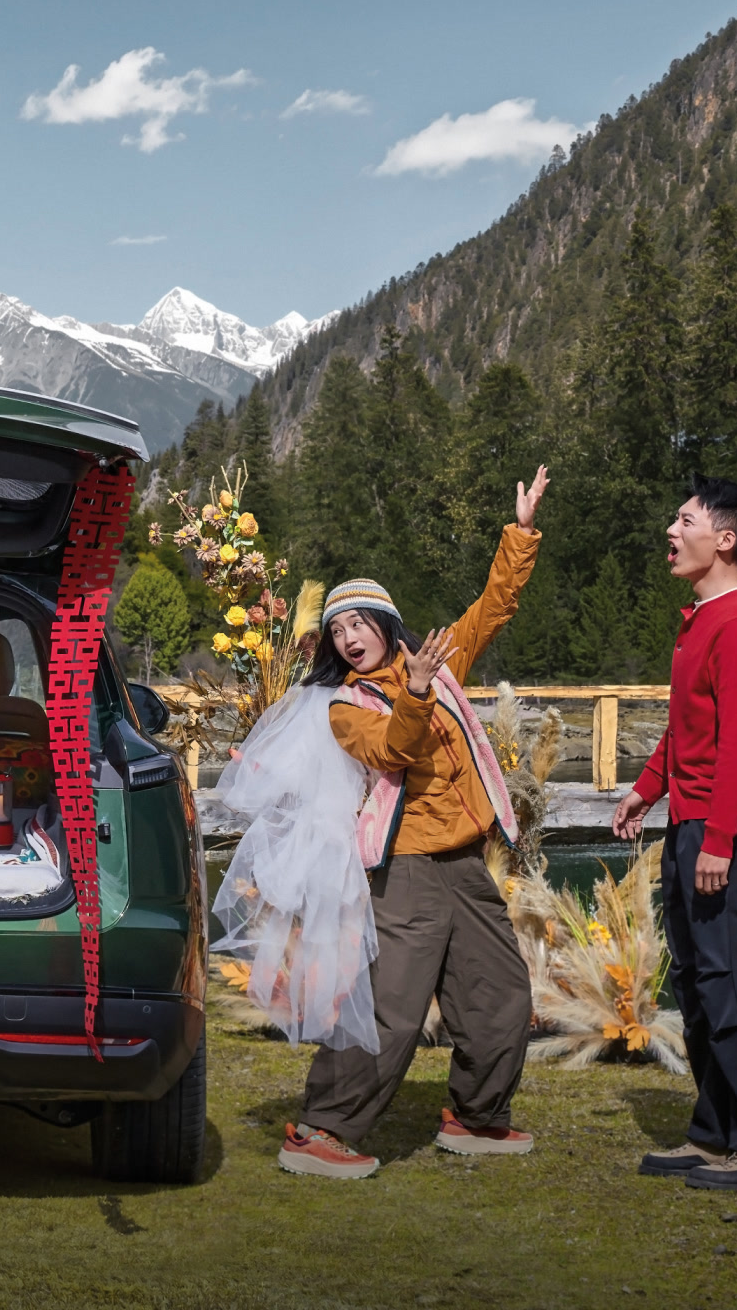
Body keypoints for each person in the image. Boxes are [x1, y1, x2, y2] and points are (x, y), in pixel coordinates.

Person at [275, 465, 549, 1180]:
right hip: (403, 869)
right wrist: (417, 694)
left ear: (385, 623)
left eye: (359, 623)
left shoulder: (436, 661)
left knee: (500, 994)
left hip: (464, 861)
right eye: (337, 630)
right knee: (391, 1008)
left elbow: (492, 608)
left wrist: (520, 533)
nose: (348, 637)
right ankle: (321, 1130)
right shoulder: (346, 707)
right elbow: (393, 749)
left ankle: (478, 1118)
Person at [610, 477, 737, 1192]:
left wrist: (719, 839)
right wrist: (646, 788)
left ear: (724, 539)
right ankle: (716, 1132)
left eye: (684, 521)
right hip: (694, 824)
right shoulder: (700, 619)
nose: (671, 530)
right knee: (699, 985)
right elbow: (690, 728)